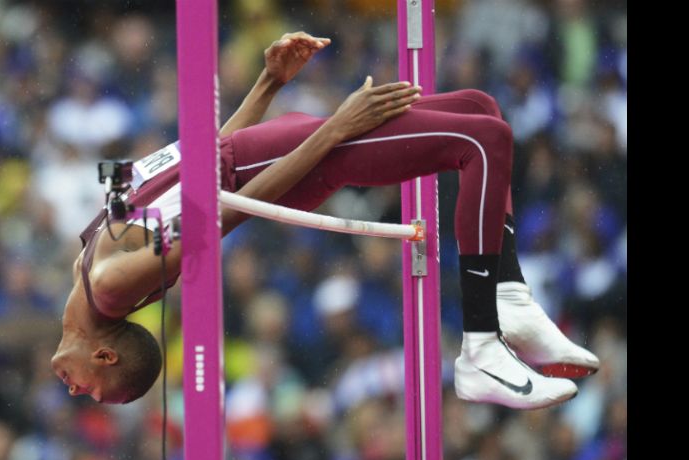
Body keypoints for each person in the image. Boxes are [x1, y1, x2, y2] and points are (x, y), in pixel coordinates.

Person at [51, 32, 599, 408]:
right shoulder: (112, 284)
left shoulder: (95, 269)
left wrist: (269, 83)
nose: (76, 391)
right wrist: (331, 133)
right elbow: (227, 207)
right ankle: (485, 342)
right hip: (286, 160)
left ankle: (508, 306)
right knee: (484, 138)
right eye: (89, 391)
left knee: (480, 110)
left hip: (269, 151)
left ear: (104, 355)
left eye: (91, 392)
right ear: (104, 353)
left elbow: (204, 161)